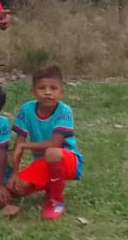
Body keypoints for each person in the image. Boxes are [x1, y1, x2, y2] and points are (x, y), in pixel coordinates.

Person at [7, 65, 83, 221]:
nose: (48, 92)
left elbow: (55, 143)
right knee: (16, 188)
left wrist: (25, 146)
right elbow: (19, 143)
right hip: (43, 163)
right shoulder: (26, 109)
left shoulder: (65, 111)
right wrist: (14, 173)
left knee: (52, 152)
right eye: (42, 88)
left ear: (61, 92)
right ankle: (51, 186)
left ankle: (56, 202)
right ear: (33, 91)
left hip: (68, 161)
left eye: (53, 88)